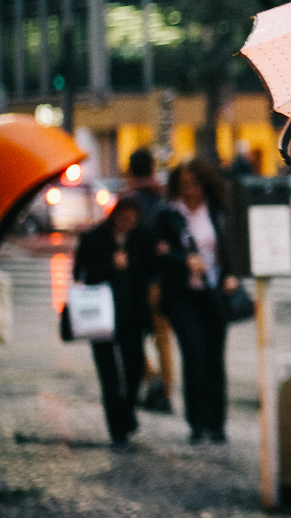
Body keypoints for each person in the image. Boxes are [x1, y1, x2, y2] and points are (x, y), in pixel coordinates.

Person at [155, 159, 239, 444]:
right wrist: (183, 261)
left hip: (214, 293)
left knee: (214, 357)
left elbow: (231, 248)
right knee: (193, 353)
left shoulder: (216, 212)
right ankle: (197, 423)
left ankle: (217, 423)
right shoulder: (169, 215)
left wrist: (231, 275)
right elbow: (159, 255)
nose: (190, 190)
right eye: (184, 184)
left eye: (195, 183)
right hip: (182, 296)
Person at [72, 196, 153, 450]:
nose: (128, 224)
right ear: (115, 216)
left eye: (132, 220)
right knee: (109, 376)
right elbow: (80, 274)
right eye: (123, 218)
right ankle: (118, 431)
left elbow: (148, 274)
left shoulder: (140, 239)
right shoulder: (95, 237)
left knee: (135, 369)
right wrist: (110, 266)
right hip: (101, 316)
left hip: (132, 315)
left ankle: (126, 413)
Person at [125, 148, 174, 414]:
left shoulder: (130, 201)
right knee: (162, 337)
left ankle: (152, 379)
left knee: (130, 334)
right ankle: (165, 391)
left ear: (131, 170)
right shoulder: (163, 197)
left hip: (139, 279)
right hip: (163, 277)